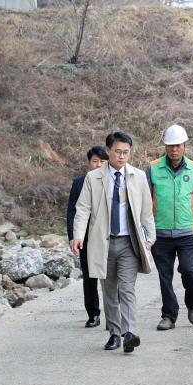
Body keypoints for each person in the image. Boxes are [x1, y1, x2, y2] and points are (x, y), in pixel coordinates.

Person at [72, 132, 156, 353]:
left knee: (127, 289)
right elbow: (83, 209)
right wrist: (78, 235)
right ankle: (115, 334)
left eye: (126, 152)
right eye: (117, 152)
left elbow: (147, 211)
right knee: (109, 291)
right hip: (103, 243)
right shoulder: (94, 178)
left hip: (129, 242)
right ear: (108, 151)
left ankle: (130, 333)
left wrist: (150, 237)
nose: (121, 156)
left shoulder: (138, 177)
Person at [146, 124, 193, 331]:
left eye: (178, 145)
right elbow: (144, 202)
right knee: (165, 276)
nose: (174, 150)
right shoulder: (153, 169)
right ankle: (169, 316)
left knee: (189, 270)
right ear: (165, 146)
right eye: (170, 146)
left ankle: (192, 304)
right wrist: (146, 231)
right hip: (160, 233)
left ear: (185, 146)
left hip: (188, 232)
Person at [67, 146, 108, 328]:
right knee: (89, 278)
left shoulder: (112, 180)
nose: (98, 164)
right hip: (85, 238)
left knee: (110, 277)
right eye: (94, 161)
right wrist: (73, 237)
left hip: (106, 236)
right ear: (88, 162)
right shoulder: (79, 182)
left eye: (102, 161)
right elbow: (72, 211)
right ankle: (93, 314)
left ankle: (113, 315)